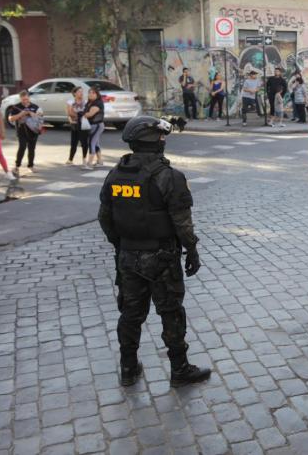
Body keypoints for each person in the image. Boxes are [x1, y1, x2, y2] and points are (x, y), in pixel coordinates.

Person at [97, 115, 211, 388]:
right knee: (170, 312)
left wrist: (122, 245)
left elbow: (105, 218)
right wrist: (192, 251)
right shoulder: (169, 177)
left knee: (131, 314)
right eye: (161, 138)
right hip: (161, 257)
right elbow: (182, 223)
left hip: (128, 256)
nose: (163, 142)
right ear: (154, 142)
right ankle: (180, 369)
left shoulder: (116, 174)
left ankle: (128, 368)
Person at [7, 90, 44, 176]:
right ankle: (17, 166)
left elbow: (41, 118)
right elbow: (11, 119)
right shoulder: (16, 107)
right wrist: (21, 114)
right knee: (22, 147)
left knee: (32, 149)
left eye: (27, 99)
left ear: (29, 98)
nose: (25, 101)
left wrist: (33, 114)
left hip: (33, 131)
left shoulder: (35, 107)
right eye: (23, 99)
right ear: (20, 99)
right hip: (21, 131)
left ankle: (31, 165)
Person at [66, 86, 89, 165]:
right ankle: (70, 159)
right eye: (79, 91)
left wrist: (76, 114)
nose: (81, 93)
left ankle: (84, 159)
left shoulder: (85, 102)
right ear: (74, 93)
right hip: (74, 124)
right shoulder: (70, 101)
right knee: (74, 142)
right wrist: (79, 115)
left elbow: (86, 113)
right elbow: (69, 113)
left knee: (84, 143)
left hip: (83, 125)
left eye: (82, 91)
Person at [83, 87, 105, 170]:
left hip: (97, 125)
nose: (90, 94)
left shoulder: (97, 103)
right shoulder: (89, 103)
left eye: (93, 93)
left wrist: (84, 114)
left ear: (97, 94)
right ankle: (100, 161)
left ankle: (89, 164)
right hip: (92, 125)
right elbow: (85, 112)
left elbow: (89, 114)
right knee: (95, 143)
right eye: (89, 92)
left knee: (91, 143)